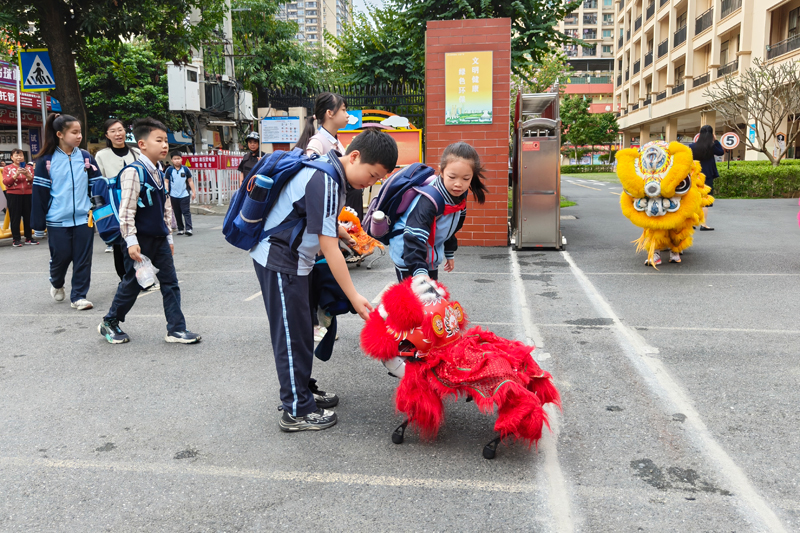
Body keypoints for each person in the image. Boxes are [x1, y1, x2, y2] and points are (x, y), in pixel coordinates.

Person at [251, 128, 397, 432]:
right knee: (292, 335)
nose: (370, 183)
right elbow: (328, 246)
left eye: (376, 179)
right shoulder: (327, 178)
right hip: (280, 261)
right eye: (371, 175)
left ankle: (302, 389)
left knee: (305, 329)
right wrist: (355, 296)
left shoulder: (333, 174)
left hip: (296, 260)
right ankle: (295, 409)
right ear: (354, 156)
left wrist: (346, 235)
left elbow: (322, 221)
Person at [98, 118, 201, 345]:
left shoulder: (158, 170)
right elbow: (126, 210)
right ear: (142, 144)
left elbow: (165, 206)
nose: (164, 145)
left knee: (170, 283)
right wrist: (131, 241)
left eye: (165, 141)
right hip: (139, 240)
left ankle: (176, 329)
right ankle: (110, 321)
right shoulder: (133, 172)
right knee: (132, 284)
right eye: (159, 140)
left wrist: (169, 235)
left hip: (159, 238)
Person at [31, 114, 102, 311]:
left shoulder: (86, 157)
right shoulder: (46, 161)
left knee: (82, 259)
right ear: (60, 134)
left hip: (84, 218)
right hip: (56, 220)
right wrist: (38, 225)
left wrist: (100, 212)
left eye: (80, 132)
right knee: (61, 257)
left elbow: (97, 186)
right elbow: (39, 194)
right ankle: (56, 281)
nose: (79, 136)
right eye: (74, 132)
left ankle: (79, 296)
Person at [390, 142, 488, 281]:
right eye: (452, 177)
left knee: (431, 300)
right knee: (413, 300)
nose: (458, 184)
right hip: (408, 255)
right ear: (441, 171)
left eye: (466, 178)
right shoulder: (429, 200)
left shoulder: (458, 197)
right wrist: (419, 272)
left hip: (428, 255)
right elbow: (414, 236)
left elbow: (449, 228)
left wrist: (449, 253)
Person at [94, 118, 141, 276]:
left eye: (120, 130)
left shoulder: (137, 153)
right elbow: (99, 183)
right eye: (113, 131)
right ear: (107, 135)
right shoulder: (101, 155)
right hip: (115, 205)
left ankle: (142, 275)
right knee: (119, 242)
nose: (117, 134)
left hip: (137, 203)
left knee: (139, 239)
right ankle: (125, 277)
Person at [690, 125, 724, 232]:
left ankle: (691, 223)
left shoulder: (692, 146)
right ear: (711, 135)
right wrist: (716, 140)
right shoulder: (712, 146)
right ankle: (703, 225)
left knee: (693, 199)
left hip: (695, 175)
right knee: (705, 200)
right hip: (708, 175)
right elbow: (721, 152)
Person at [2, 149, 36, 247]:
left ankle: (29, 237)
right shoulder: (7, 168)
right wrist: (16, 174)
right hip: (13, 194)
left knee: (28, 216)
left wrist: (27, 174)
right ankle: (16, 239)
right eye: (16, 156)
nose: (19, 157)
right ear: (12, 158)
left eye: (21, 155)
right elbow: (6, 182)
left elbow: (34, 179)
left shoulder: (29, 168)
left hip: (28, 193)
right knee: (15, 217)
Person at [165, 151, 195, 236]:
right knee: (177, 212)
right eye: (175, 159)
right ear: (172, 160)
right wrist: (166, 190)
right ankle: (180, 229)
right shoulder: (169, 170)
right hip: (173, 195)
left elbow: (190, 181)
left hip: (184, 194)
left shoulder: (185, 169)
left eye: (178, 158)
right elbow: (166, 181)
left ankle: (189, 229)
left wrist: (194, 192)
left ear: (181, 159)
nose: (177, 160)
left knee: (186, 211)